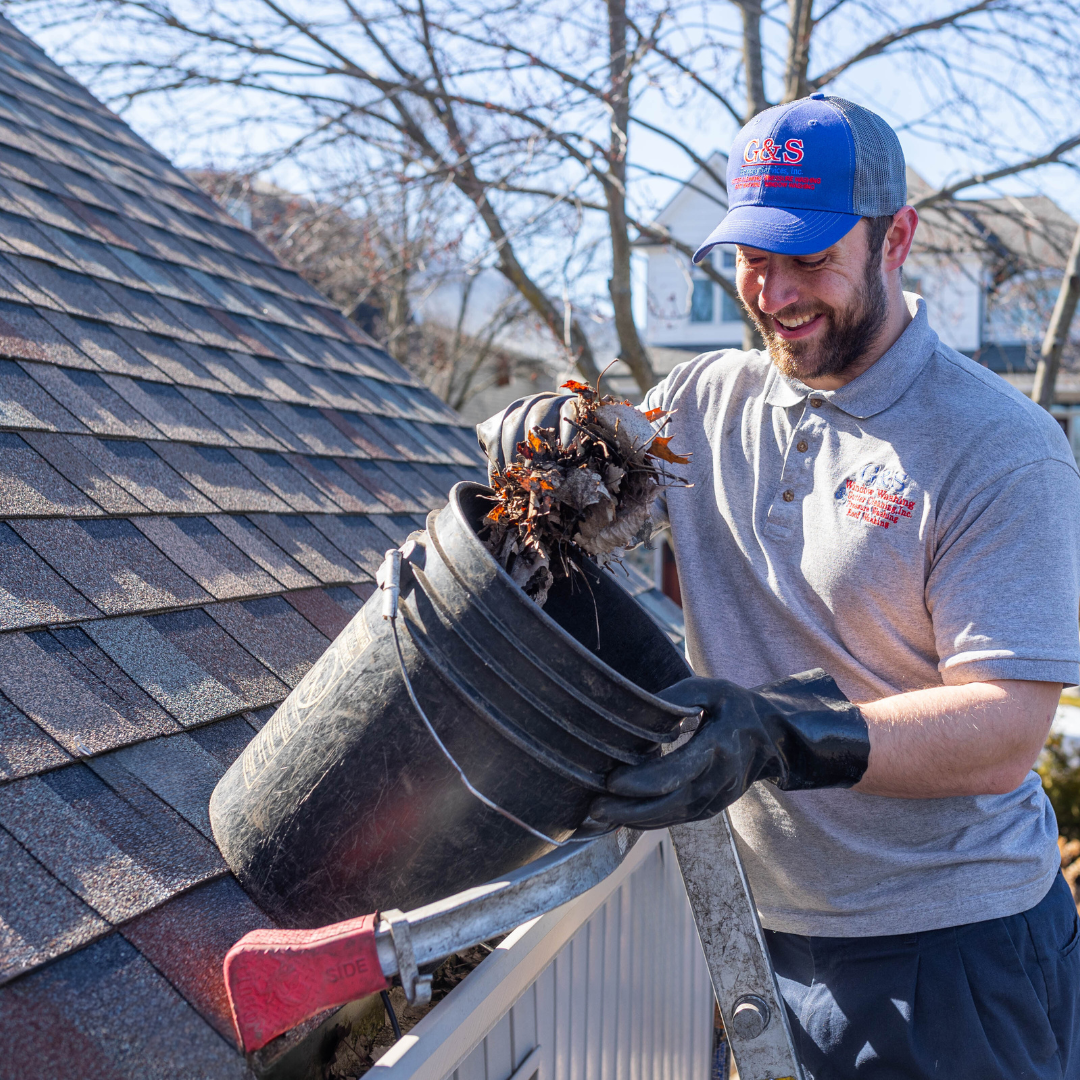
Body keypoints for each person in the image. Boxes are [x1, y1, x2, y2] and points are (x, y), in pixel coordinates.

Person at [477, 94, 1080, 1079]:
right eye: (755, 257)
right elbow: (600, 503)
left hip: (955, 953)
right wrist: (548, 450)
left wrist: (777, 732)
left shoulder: (1002, 450)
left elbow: (1006, 730)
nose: (775, 290)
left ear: (898, 239)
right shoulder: (703, 402)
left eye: (810, 257)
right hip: (759, 939)